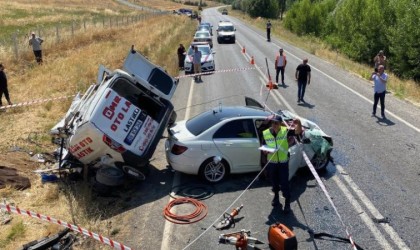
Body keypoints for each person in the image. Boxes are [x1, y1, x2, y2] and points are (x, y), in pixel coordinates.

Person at [261, 115, 295, 213]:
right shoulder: (266, 133)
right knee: (274, 182)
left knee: (284, 183)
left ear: (280, 124)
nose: (274, 125)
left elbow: (297, 132)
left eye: (276, 123)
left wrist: (299, 123)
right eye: (273, 123)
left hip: (283, 163)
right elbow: (263, 146)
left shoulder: (286, 131)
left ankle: (287, 203)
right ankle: (276, 197)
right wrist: (265, 151)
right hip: (272, 163)